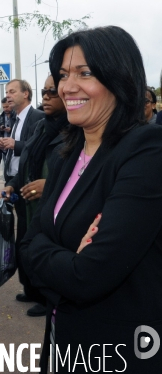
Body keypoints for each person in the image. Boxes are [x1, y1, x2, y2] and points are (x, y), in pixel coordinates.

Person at [20, 26, 162, 373]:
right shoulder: (66, 157)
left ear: (119, 78)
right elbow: (25, 250)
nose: (68, 87)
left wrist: (47, 253)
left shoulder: (147, 150)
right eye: (64, 74)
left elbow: (89, 277)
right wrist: (62, 259)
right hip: (62, 343)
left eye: (85, 73)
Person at [2, 75, 68, 317]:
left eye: (52, 92)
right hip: (28, 198)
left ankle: (46, 296)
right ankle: (32, 289)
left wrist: (49, 186)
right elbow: (28, 161)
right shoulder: (43, 126)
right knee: (26, 243)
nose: (46, 97)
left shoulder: (74, 129)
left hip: (51, 204)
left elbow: (80, 174)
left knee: (46, 247)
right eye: (44, 92)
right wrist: (11, 184)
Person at [0, 79, 45, 308]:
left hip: (32, 186)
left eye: (12, 91)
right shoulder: (13, 119)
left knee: (34, 238)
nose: (8, 95)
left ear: (26, 94)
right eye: (7, 92)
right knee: (24, 236)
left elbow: (37, 148)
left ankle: (42, 294)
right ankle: (30, 288)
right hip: (16, 182)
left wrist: (14, 144)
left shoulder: (37, 118)